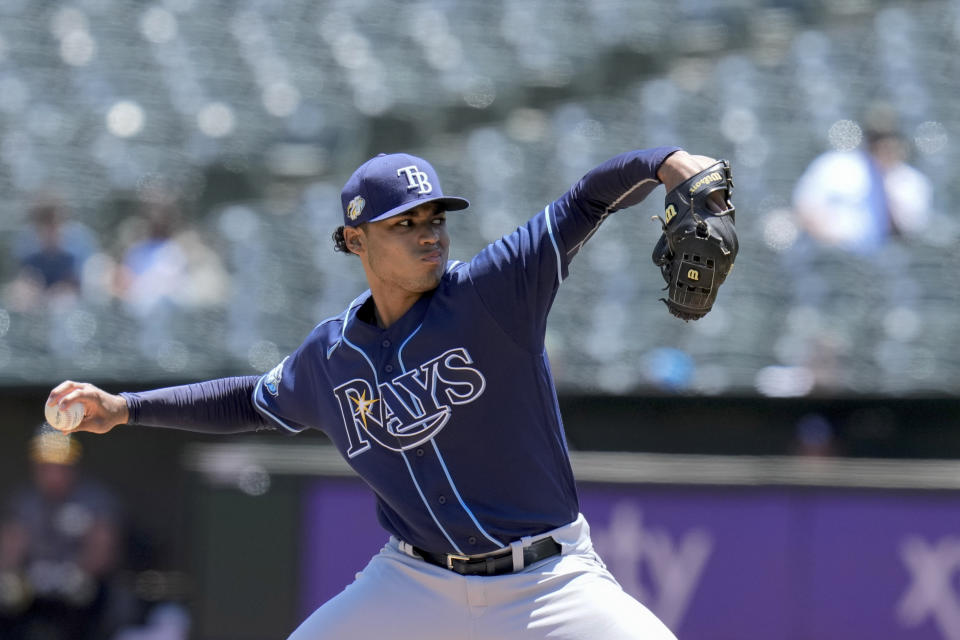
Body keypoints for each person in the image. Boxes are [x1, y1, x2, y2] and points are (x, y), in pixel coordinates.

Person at [46, 146, 723, 639]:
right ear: (354, 239)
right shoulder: (330, 356)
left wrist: (664, 161)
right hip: (415, 584)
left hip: (548, 582)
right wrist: (125, 408)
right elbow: (247, 401)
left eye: (435, 217)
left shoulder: (492, 292)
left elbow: (586, 199)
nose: (429, 233)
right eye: (405, 223)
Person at [0, 427, 137, 640]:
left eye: (61, 467)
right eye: (46, 467)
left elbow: (102, 548)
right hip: (34, 585)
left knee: (86, 597)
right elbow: (11, 545)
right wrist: (13, 575)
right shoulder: (24, 501)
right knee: (8, 598)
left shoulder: (94, 499)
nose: (54, 475)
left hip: (79, 585)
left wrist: (79, 572)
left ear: (74, 467)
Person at [791, 109, 932, 254]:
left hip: (886, 258)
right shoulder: (836, 165)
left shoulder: (912, 181)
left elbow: (912, 228)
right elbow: (806, 207)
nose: (885, 147)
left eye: (890, 140)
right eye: (878, 140)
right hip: (836, 253)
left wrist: (888, 191)